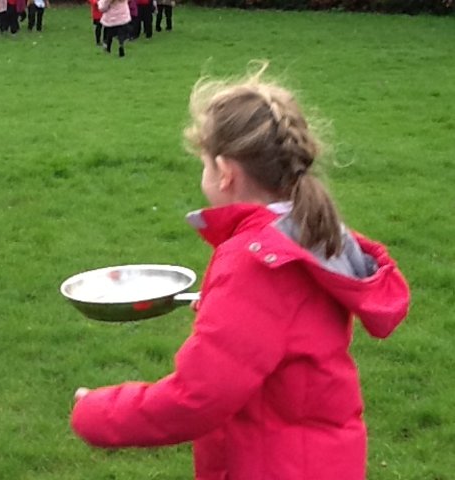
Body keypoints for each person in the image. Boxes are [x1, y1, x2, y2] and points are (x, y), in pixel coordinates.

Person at [70, 65, 410, 480]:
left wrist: (96, 411)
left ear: (226, 172)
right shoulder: (306, 232)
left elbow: (197, 398)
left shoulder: (254, 263)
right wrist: (222, 309)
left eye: (204, 165)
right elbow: (286, 324)